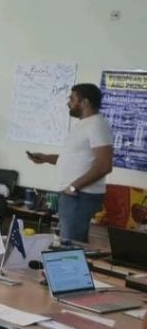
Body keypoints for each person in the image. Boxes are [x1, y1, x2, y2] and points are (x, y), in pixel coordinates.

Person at [27, 83, 114, 243]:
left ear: (85, 102)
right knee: (70, 245)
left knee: (70, 246)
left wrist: (74, 187)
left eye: (72, 99)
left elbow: (104, 165)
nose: (68, 103)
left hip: (79, 196)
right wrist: (45, 158)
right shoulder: (82, 125)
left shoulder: (97, 125)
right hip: (73, 195)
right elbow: (73, 159)